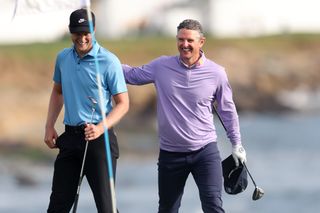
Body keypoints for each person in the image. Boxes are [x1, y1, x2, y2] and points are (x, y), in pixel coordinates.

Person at [122, 19, 247, 213]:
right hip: (170, 154)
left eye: (189, 40)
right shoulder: (161, 66)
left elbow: (227, 110)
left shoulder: (216, 73)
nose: (184, 45)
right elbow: (132, 75)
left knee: (213, 205)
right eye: (181, 39)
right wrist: (104, 60)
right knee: (167, 209)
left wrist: (237, 144)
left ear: (201, 42)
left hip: (205, 151)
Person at [44, 8, 129, 213]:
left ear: (94, 30)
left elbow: (123, 103)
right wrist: (49, 126)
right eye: (77, 33)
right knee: (57, 206)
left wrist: (100, 127)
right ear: (70, 31)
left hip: (100, 141)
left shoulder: (109, 61)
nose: (82, 38)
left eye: (86, 32)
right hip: (70, 138)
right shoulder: (63, 58)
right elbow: (57, 92)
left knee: (107, 208)